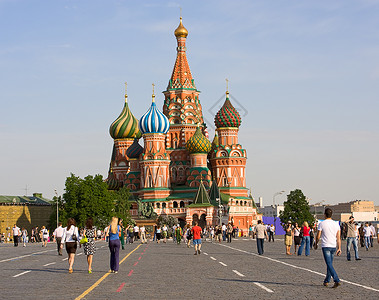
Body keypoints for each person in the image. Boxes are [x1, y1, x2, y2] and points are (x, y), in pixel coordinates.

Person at [314, 208, 341, 288]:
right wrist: (339, 248)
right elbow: (338, 238)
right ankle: (326, 280)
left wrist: (316, 243)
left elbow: (318, 236)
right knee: (330, 264)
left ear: (324, 214)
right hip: (333, 245)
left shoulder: (322, 224)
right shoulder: (336, 224)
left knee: (329, 264)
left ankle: (336, 280)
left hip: (325, 245)